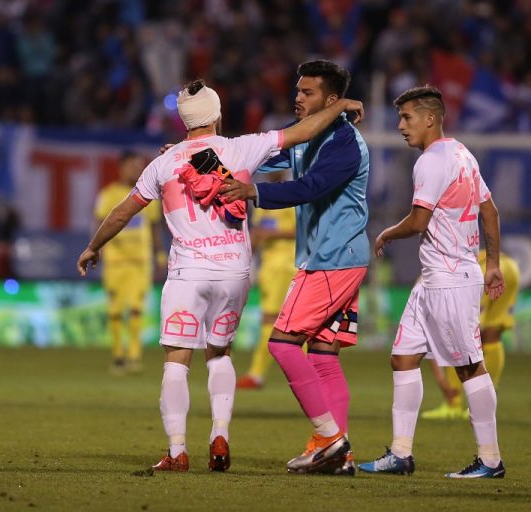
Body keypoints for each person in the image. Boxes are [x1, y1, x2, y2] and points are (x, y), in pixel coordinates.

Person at [76, 78, 364, 473]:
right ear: (217, 113)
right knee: (220, 355)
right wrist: (343, 103)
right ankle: (220, 436)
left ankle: (177, 451)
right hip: (233, 273)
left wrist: (94, 246)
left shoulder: (163, 162)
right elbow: (305, 131)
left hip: (187, 274)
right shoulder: (240, 147)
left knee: (177, 362)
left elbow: (125, 210)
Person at [219, 59, 369, 475]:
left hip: (331, 261)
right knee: (323, 355)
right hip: (336, 260)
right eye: (297, 91)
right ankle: (339, 455)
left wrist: (254, 192)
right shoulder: (306, 136)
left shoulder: (344, 143)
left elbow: (312, 187)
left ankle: (330, 440)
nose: (297, 98)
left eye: (307, 93)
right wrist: (195, 155)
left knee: (282, 344)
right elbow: (252, 156)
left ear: (332, 101)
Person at [358, 85, 506, 479]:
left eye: (407, 118)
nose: (401, 126)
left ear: (430, 118)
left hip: (450, 281)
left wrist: (388, 232)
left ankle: (491, 459)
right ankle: (401, 454)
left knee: (469, 367)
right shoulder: (462, 154)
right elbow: (489, 212)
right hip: (436, 280)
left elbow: (420, 220)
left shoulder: (431, 161)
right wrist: (491, 263)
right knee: (403, 357)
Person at [422, 250, 520, 420]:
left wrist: (442, 382)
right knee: (492, 334)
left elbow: (430, 338)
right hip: (507, 266)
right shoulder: (434, 274)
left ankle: (453, 404)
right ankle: (486, 401)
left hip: (480, 272)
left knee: (457, 337)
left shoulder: (424, 287)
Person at [93, 150, 165, 375]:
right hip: (116, 261)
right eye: (132, 166)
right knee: (115, 309)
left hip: (140, 261)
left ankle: (134, 356)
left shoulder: (147, 194)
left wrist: (159, 251)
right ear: (121, 167)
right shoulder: (108, 194)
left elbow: (153, 226)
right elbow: (99, 225)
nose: (136, 170)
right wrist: (97, 249)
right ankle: (117, 356)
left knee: (136, 308)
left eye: (138, 166)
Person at [237, 171, 297, 390]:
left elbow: (304, 230)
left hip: (289, 265)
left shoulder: (295, 194)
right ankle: (308, 372)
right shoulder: (262, 197)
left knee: (273, 321)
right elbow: (257, 233)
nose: (272, 168)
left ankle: (256, 374)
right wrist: (245, 257)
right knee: (283, 323)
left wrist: (272, 234)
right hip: (270, 267)